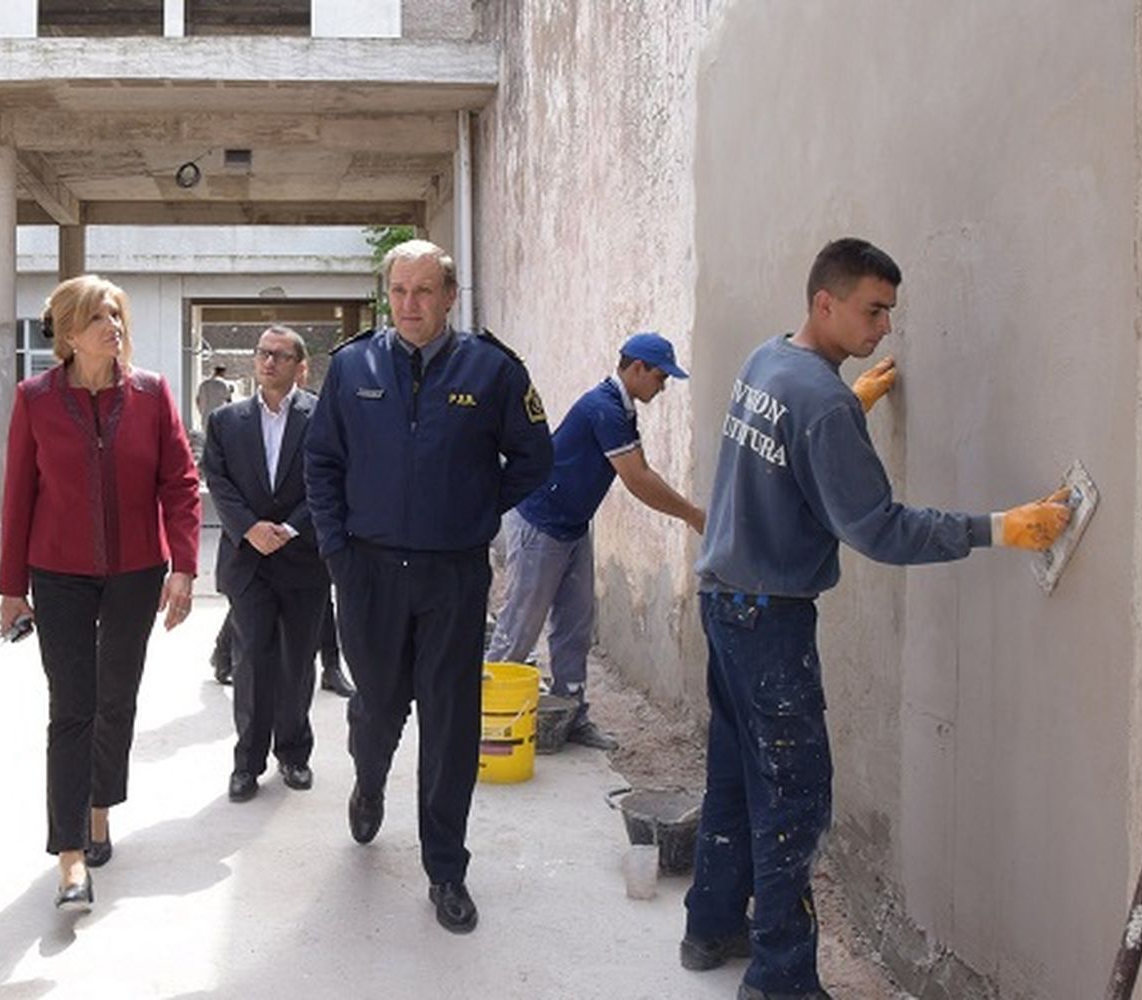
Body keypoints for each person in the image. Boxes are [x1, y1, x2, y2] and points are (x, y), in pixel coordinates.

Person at [683, 238, 1071, 1000]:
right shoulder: (821, 402)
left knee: (734, 775)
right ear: (824, 303)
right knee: (795, 798)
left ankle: (710, 929)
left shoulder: (771, 360)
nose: (885, 327)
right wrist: (1000, 527)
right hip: (770, 622)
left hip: (724, 603)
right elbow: (879, 529)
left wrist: (846, 413)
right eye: (872, 310)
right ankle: (781, 979)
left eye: (889, 310)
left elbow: (782, 452)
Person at [305, 239, 553, 934]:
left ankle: (446, 868)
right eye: (400, 292)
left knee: (449, 724)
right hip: (369, 575)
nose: (410, 306)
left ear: (449, 296)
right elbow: (320, 463)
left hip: (452, 575)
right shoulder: (353, 367)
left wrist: (475, 509)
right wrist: (337, 553)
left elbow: (537, 457)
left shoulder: (493, 370)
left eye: (424, 292)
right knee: (378, 707)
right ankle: (369, 782)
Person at [0, 274, 200, 913]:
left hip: (137, 572)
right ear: (67, 332)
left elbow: (180, 482)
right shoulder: (34, 398)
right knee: (72, 706)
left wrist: (183, 567)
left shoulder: (150, 393)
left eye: (116, 315)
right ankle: (70, 857)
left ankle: (99, 807)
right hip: (57, 574)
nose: (111, 326)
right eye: (96, 318)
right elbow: (17, 497)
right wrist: (10, 588)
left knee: (116, 699)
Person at [486, 332, 706, 751]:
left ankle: (571, 716)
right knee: (520, 625)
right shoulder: (603, 408)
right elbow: (637, 477)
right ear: (637, 368)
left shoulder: (620, 409)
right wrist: (694, 516)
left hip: (571, 524)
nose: (662, 387)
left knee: (574, 625)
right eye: (660, 377)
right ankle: (490, 721)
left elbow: (638, 469)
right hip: (541, 523)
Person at [203, 326, 331, 802]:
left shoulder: (323, 416)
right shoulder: (226, 420)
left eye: (280, 355)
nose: (268, 362)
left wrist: (291, 528)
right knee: (253, 660)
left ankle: (294, 754)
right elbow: (217, 480)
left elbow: (329, 480)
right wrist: (250, 529)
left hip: (302, 558)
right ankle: (247, 764)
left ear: (300, 366)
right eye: (262, 354)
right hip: (248, 560)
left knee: (298, 662)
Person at [195, 363, 235, 429]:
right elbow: (229, 401)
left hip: (206, 416)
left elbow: (198, 400)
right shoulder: (224, 384)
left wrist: (201, 411)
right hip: (220, 415)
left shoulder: (204, 384)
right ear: (223, 372)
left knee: (207, 437)